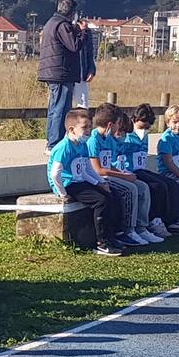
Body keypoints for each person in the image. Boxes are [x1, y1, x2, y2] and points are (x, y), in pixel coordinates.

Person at [49, 105, 124, 256]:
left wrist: (99, 183)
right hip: (69, 184)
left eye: (90, 126)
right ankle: (101, 242)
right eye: (85, 127)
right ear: (71, 130)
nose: (89, 130)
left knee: (112, 194)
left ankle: (111, 236)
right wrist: (62, 193)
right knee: (100, 200)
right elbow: (55, 174)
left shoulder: (82, 145)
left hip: (79, 181)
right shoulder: (64, 147)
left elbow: (86, 169)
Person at [88, 104, 156, 245]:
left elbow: (110, 164)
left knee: (142, 186)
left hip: (110, 174)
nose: (119, 128)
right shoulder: (93, 140)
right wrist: (124, 177)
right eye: (118, 124)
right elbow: (98, 170)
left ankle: (141, 227)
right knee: (130, 189)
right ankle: (127, 230)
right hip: (100, 177)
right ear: (110, 125)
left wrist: (123, 173)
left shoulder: (110, 140)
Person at [37, 0, 87, 147]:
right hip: (61, 72)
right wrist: (83, 32)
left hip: (52, 71)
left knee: (54, 108)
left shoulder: (51, 23)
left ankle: (51, 140)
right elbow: (74, 45)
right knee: (61, 108)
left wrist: (75, 29)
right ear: (72, 13)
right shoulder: (62, 25)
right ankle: (55, 143)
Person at [127, 104, 179, 231]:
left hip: (141, 169)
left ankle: (171, 220)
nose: (144, 130)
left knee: (171, 184)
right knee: (157, 186)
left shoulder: (145, 136)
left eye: (147, 128)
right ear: (134, 120)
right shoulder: (126, 136)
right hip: (131, 170)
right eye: (142, 127)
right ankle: (153, 220)